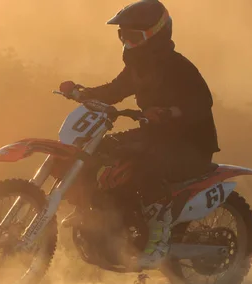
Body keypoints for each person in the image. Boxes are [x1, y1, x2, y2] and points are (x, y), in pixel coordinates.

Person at [59, 0, 220, 269]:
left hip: (190, 146)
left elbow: (203, 102)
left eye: (133, 36)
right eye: (123, 35)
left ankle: (158, 240)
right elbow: (115, 90)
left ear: (156, 34)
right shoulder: (139, 67)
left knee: (146, 166)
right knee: (102, 149)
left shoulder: (178, 67)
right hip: (156, 137)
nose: (127, 42)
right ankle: (93, 212)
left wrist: (170, 112)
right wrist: (81, 93)